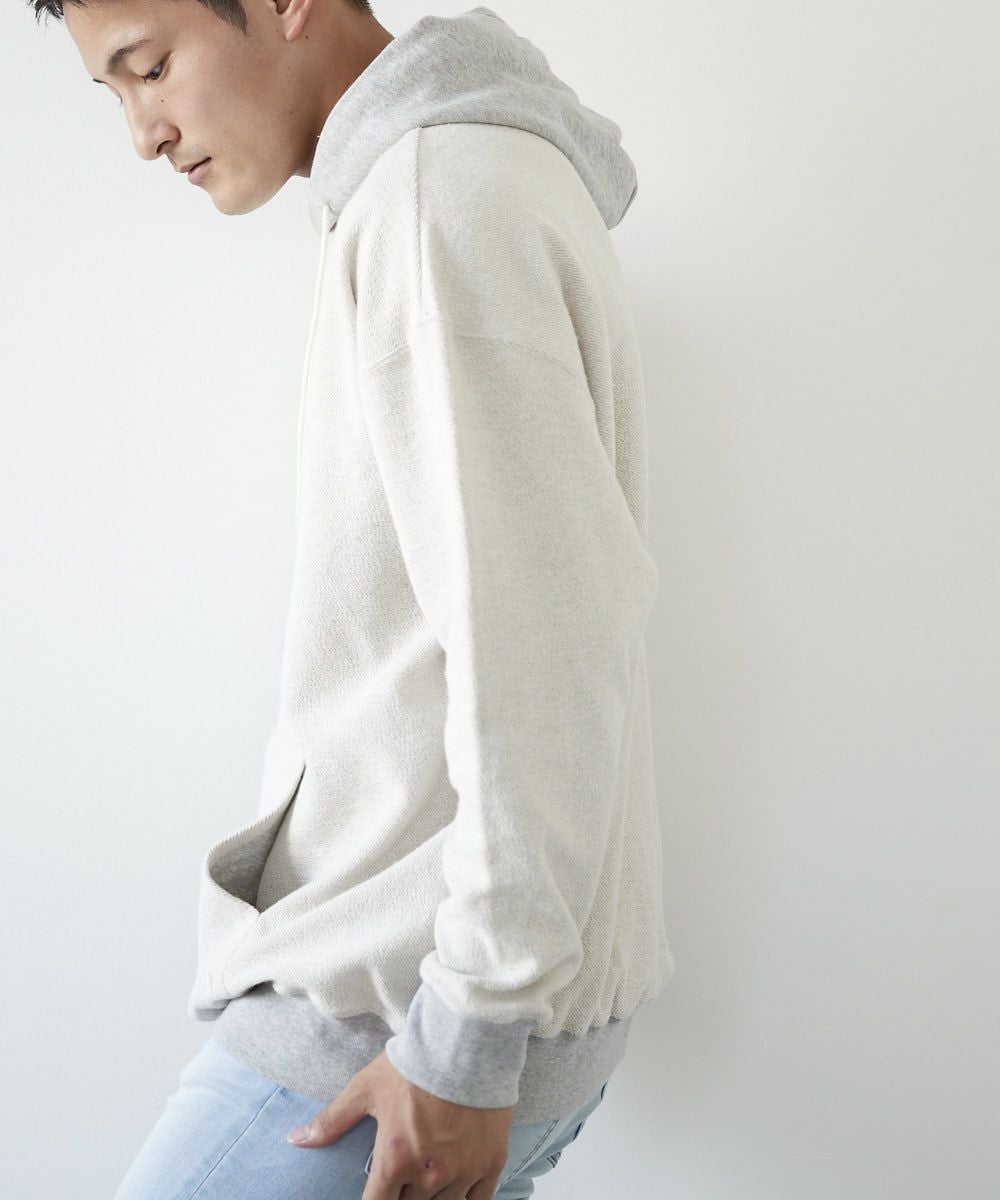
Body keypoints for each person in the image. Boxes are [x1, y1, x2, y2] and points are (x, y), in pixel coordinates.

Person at [32, 0, 676, 1195]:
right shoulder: (440, 182)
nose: (143, 133)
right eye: (113, 91)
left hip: (400, 1029)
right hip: (446, 1015)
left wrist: (468, 1034)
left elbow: (544, 649)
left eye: (151, 68)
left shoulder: (435, 202)